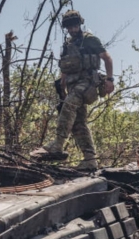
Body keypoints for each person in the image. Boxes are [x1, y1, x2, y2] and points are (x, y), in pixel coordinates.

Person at [30, 10, 115, 171]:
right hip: (72, 85)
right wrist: (62, 86)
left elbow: (107, 57)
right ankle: (90, 159)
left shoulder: (90, 40)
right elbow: (65, 68)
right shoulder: (68, 45)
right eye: (69, 26)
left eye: (75, 25)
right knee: (78, 123)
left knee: (69, 106)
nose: (72, 29)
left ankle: (58, 143)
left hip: (88, 83)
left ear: (79, 24)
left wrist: (110, 79)